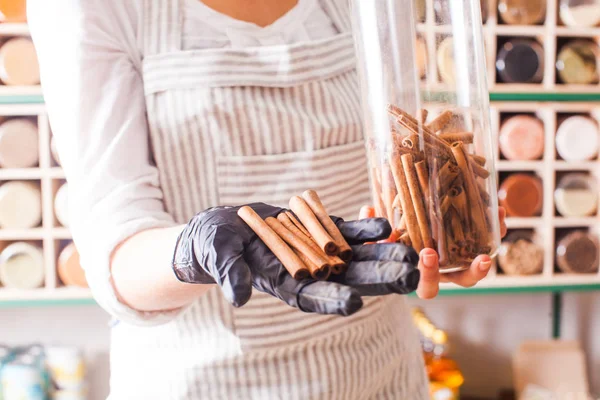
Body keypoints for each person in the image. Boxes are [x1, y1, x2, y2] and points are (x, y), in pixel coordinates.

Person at [29, 0, 507, 398]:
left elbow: (400, 151)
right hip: (201, 381)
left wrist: (446, 227)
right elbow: (114, 257)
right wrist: (196, 249)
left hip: (381, 371)